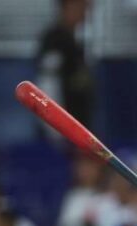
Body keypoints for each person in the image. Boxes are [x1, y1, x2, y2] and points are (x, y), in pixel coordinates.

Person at [36, 0, 94, 134]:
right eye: (81, 7)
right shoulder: (54, 40)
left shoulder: (75, 42)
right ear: (67, 6)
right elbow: (48, 85)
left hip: (78, 129)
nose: (85, 13)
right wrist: (55, 127)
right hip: (60, 129)